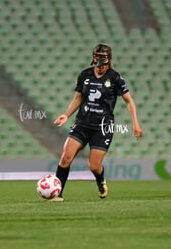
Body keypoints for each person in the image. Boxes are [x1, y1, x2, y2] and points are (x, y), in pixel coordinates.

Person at [52, 44, 143, 202]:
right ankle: (57, 194)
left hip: (102, 127)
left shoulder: (115, 78)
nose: (100, 66)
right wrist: (66, 115)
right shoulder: (85, 75)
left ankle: (101, 181)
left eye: (104, 61)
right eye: (98, 60)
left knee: (94, 166)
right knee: (65, 158)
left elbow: (129, 101)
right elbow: (78, 98)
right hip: (82, 124)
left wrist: (136, 123)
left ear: (109, 60)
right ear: (94, 59)